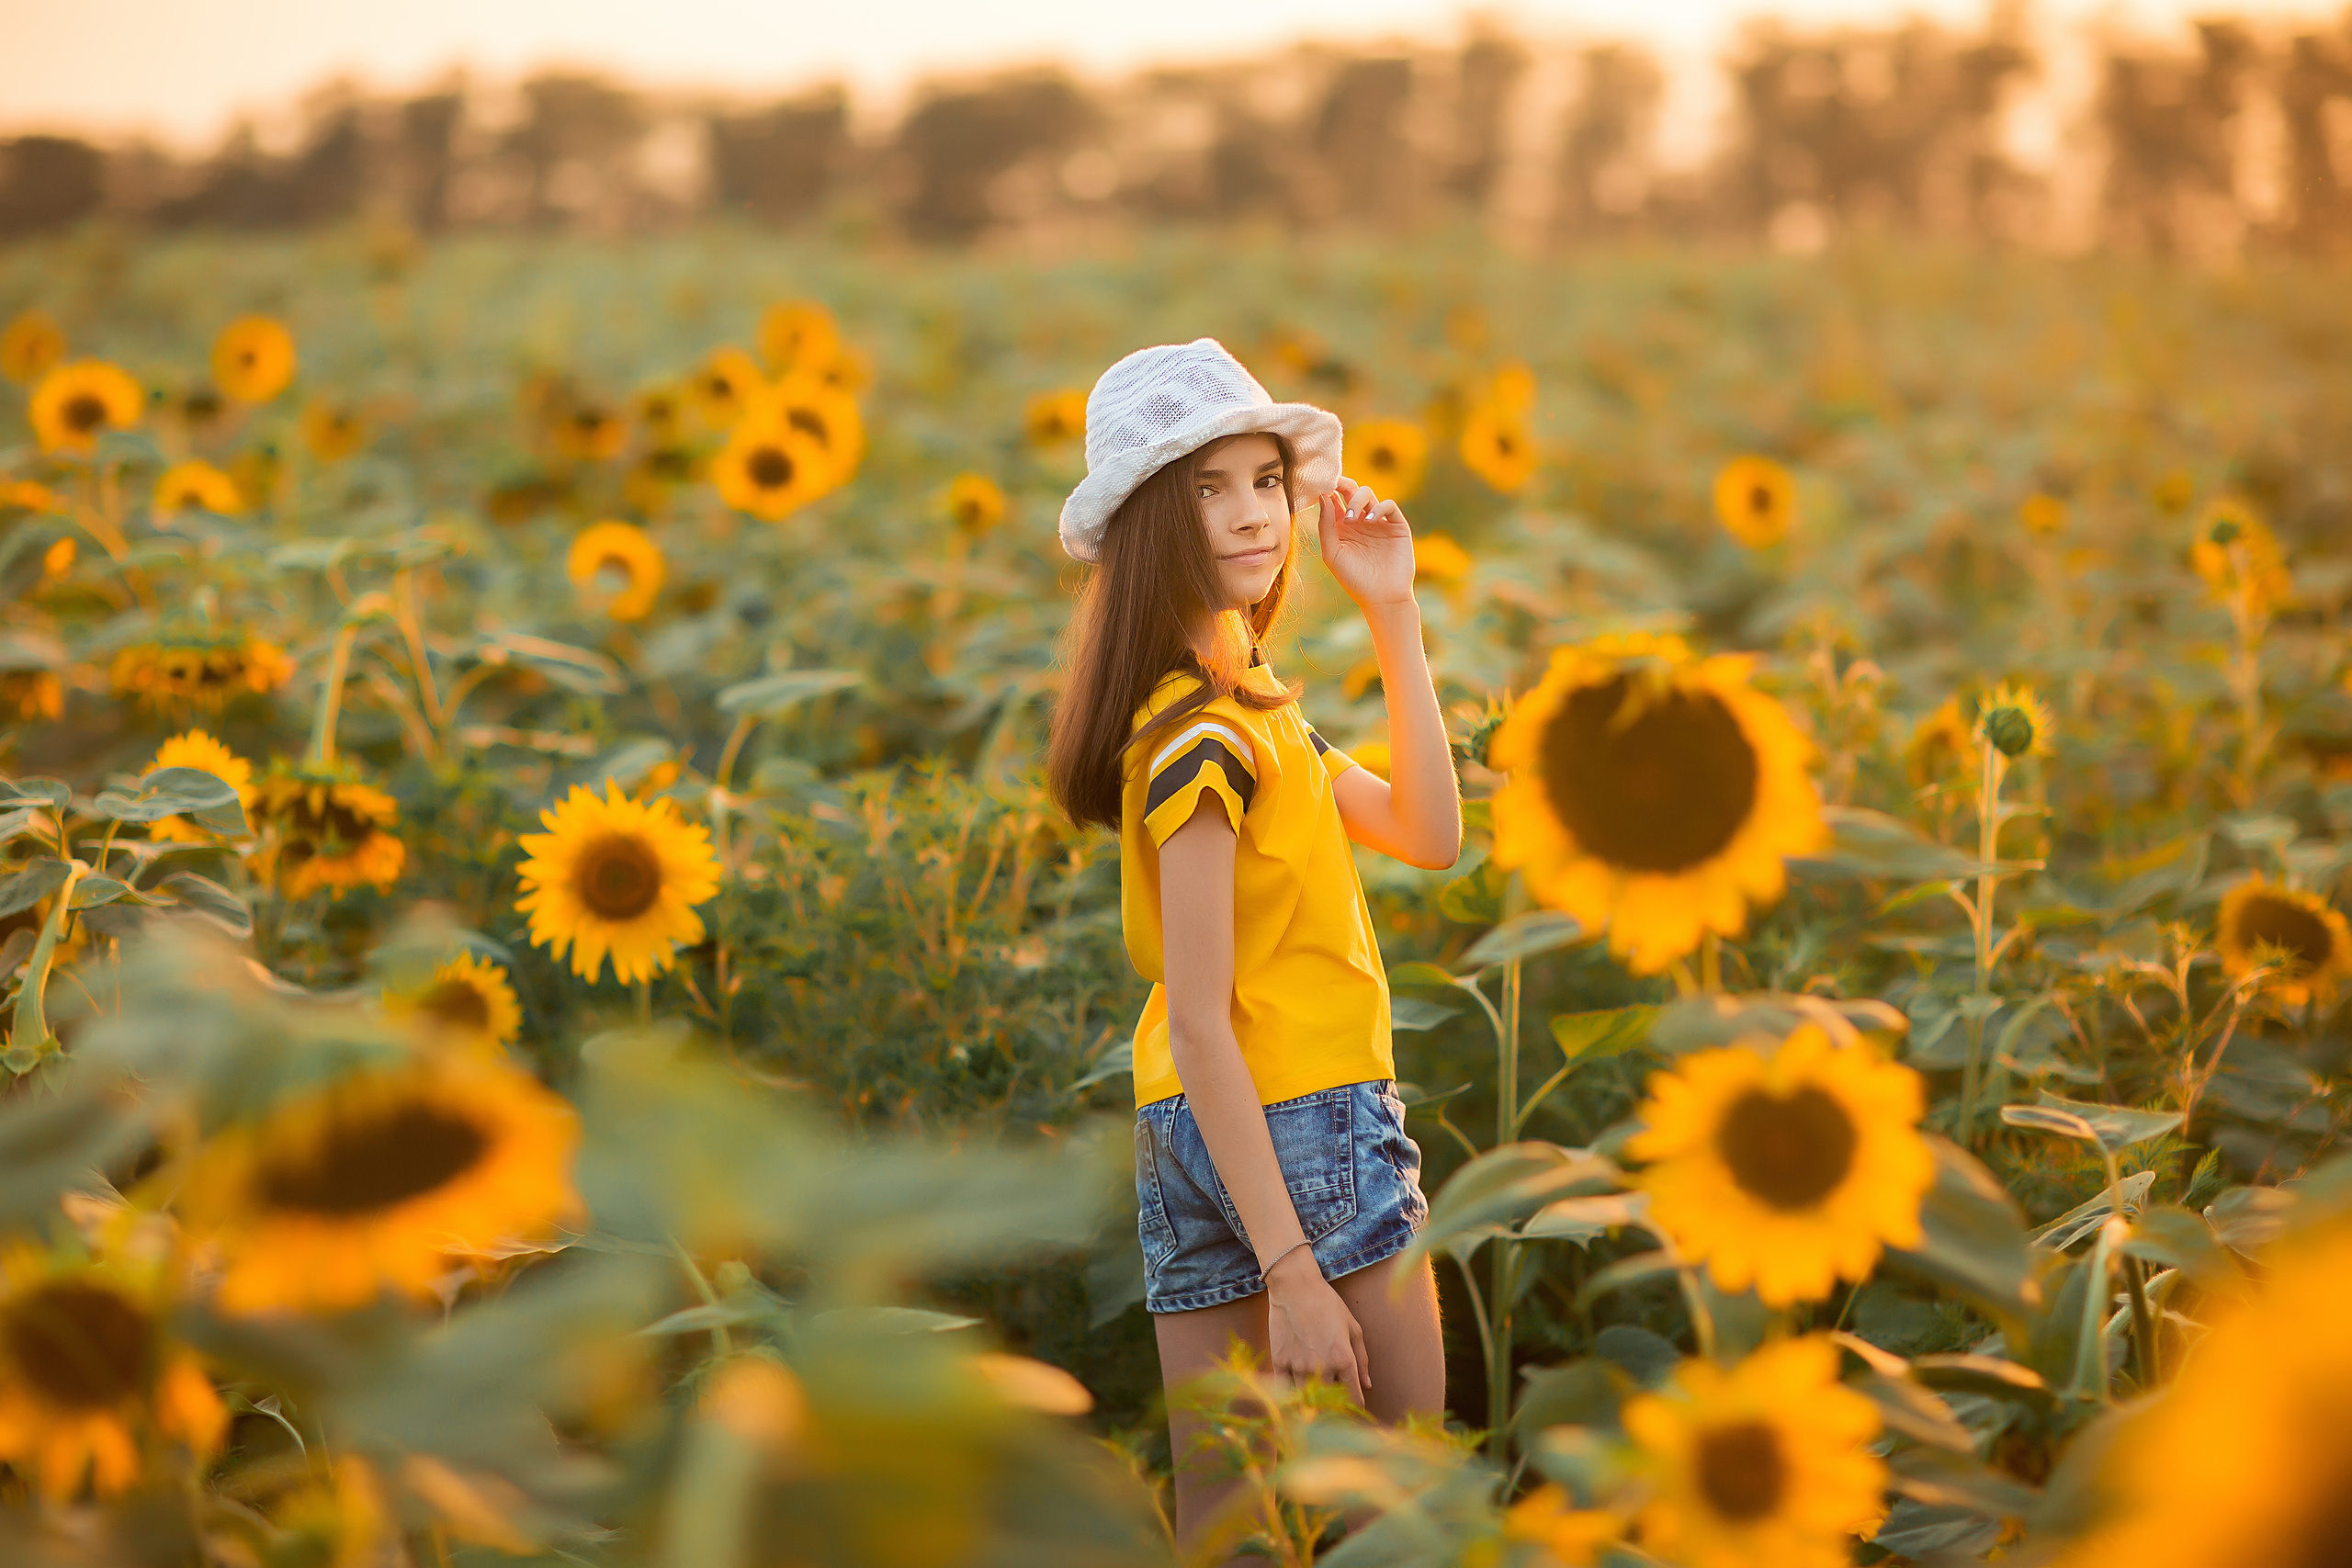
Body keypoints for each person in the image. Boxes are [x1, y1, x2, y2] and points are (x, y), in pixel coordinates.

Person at [1046, 338, 1461, 1551]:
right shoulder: (1204, 738)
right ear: (1148, 528)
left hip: (1193, 1138)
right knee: (1407, 1510)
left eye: (1265, 482)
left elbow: (1427, 831)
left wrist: (1393, 610)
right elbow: (1197, 1012)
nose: (1250, 517)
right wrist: (1292, 1268)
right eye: (1206, 490)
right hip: (1304, 1124)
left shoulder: (1244, 709)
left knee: (1225, 1528)